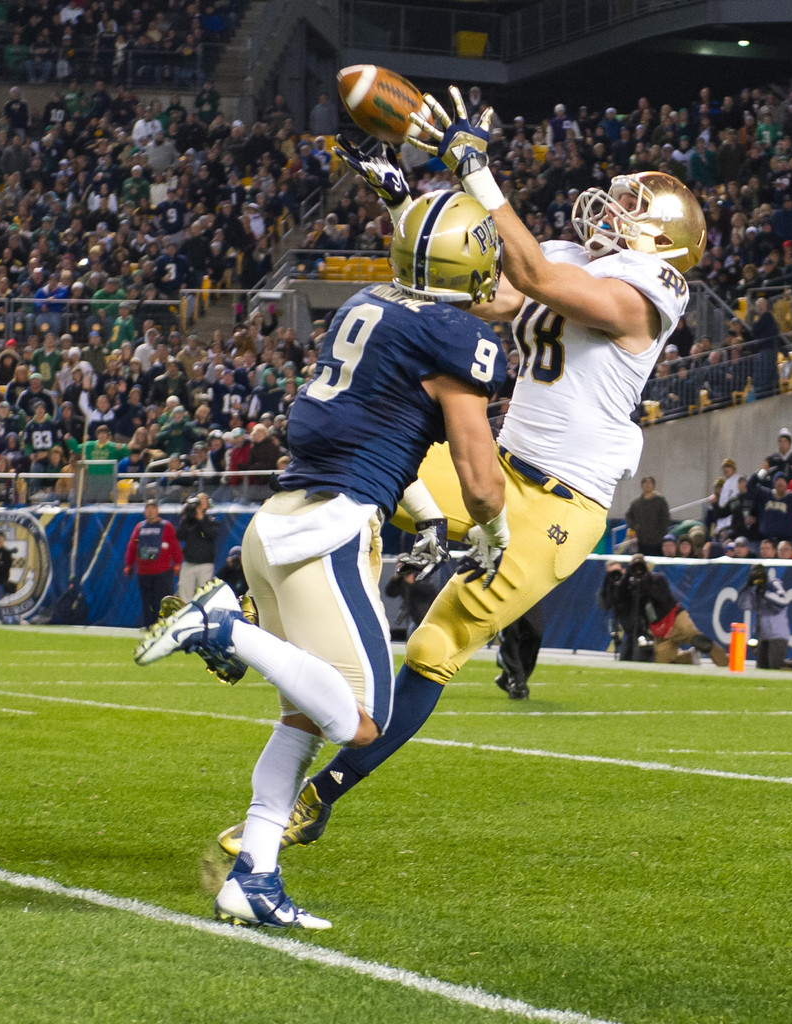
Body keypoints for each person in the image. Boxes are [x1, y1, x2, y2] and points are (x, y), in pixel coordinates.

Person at [225, 92, 707, 857]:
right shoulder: (577, 261)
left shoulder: (652, 294)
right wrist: (399, 197)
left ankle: (319, 797)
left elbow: (536, 278)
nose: (610, 211)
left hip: (558, 504)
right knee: (364, 463)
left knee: (434, 646)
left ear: (661, 239)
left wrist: (475, 171)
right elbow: (472, 284)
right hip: (498, 465)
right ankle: (252, 596)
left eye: (629, 208)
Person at [133, 187, 511, 931]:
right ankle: (225, 628)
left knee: (302, 720)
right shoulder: (452, 339)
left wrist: (424, 513)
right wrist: (492, 534)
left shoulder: (367, 305)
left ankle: (254, 878)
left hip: (278, 523)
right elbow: (481, 479)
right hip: (330, 532)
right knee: (362, 722)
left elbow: (368, 431)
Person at [124, 499, 183, 627]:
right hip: (144, 571)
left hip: (162, 571)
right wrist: (129, 564)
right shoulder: (140, 527)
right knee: (147, 601)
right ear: (145, 511)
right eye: (148, 510)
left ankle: (161, 625)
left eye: (153, 509)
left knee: (160, 601)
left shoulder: (166, 526)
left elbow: (175, 546)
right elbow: (132, 546)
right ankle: (148, 625)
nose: (150, 512)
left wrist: (178, 563)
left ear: (157, 511)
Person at [736, 563, 791, 669]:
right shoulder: (754, 588)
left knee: (775, 667)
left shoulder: (774, 584)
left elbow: (783, 602)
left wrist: (766, 593)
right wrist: (747, 586)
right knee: (762, 669)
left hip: (777, 635)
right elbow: (745, 605)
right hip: (763, 636)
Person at [599, 559, 654, 662]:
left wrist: (627, 576)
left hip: (641, 629)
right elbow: (605, 604)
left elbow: (640, 595)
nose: (616, 575)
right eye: (612, 573)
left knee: (641, 657)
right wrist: (607, 582)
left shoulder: (632, 583)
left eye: (618, 571)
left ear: (623, 570)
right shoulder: (610, 589)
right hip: (629, 632)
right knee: (625, 659)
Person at [493, 601, 544, 700]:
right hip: (507, 594)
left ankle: (509, 678)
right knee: (511, 632)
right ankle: (517, 681)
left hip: (531, 593)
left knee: (535, 634)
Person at [175, 492, 220, 601]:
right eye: (198, 501)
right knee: (184, 596)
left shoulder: (212, 521)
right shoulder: (189, 521)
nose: (199, 504)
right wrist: (185, 518)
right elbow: (179, 535)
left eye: (203, 501)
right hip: (189, 563)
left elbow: (212, 534)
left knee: (204, 596)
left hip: (205, 565)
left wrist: (201, 519)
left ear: (208, 504)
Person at [625, 475, 671, 555]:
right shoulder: (636, 502)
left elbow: (666, 518)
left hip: (657, 541)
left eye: (650, 482)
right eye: (645, 482)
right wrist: (635, 527)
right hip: (641, 540)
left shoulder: (660, 501)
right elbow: (628, 516)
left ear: (653, 485)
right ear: (642, 485)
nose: (647, 484)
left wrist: (661, 532)